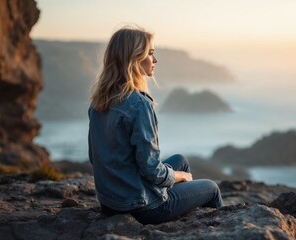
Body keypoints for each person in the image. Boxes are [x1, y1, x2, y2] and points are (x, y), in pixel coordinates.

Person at [88, 26, 223, 225]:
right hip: (142, 207)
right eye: (150, 53)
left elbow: (95, 157)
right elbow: (151, 170)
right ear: (134, 58)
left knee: (180, 160)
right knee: (211, 188)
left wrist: (176, 174)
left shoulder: (100, 100)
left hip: (109, 203)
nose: (155, 60)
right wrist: (178, 176)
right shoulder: (139, 105)